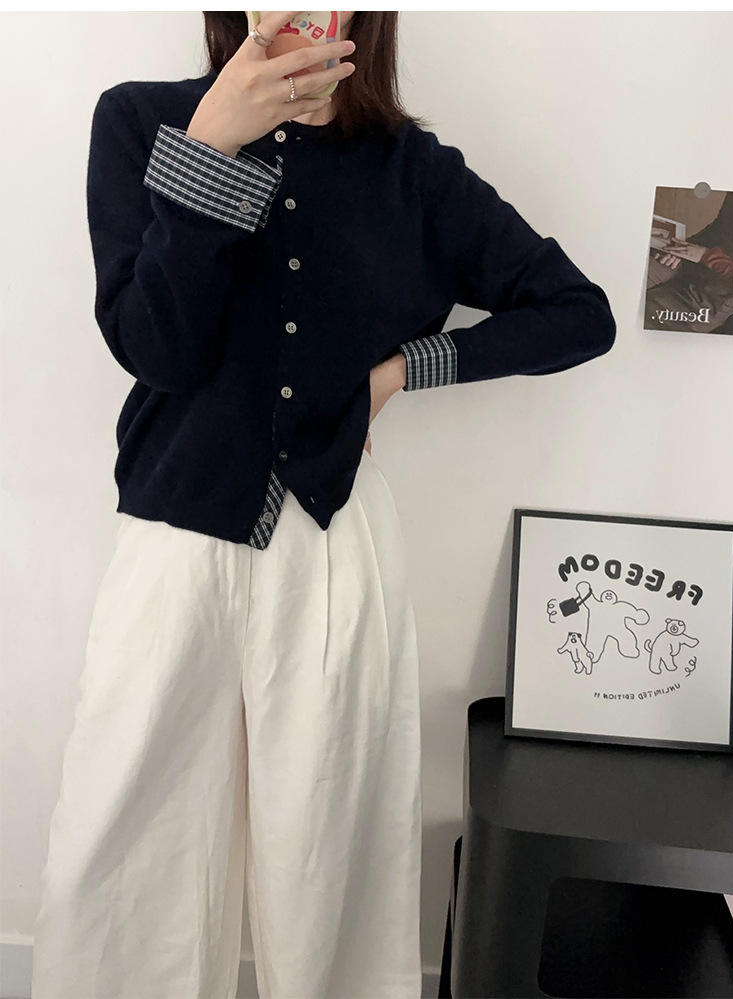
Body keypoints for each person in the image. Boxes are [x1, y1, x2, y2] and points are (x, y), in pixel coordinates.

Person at [30, 11, 616, 999]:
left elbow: (577, 313)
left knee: (329, 849)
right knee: (125, 847)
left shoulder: (409, 168)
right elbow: (156, 348)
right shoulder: (140, 122)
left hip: (334, 543)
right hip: (174, 547)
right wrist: (212, 150)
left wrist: (400, 371)